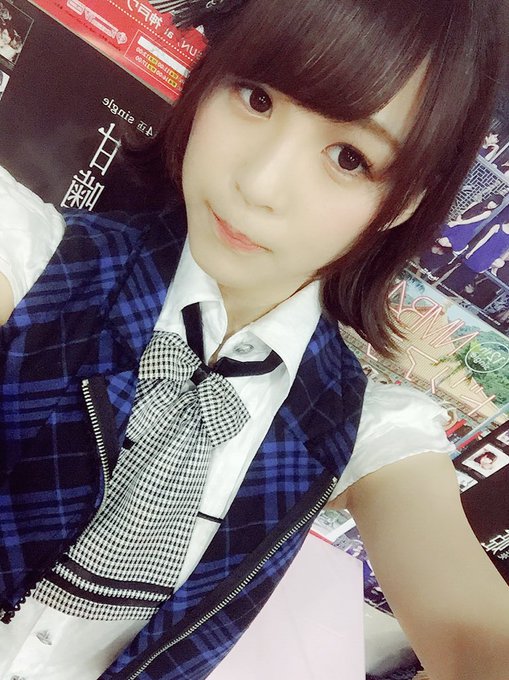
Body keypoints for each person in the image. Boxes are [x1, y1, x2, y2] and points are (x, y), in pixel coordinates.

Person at [1, 1, 509, 679]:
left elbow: (473, 629)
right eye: (256, 97)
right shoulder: (39, 259)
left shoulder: (360, 427)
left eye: (349, 158)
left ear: (409, 199)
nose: (259, 184)